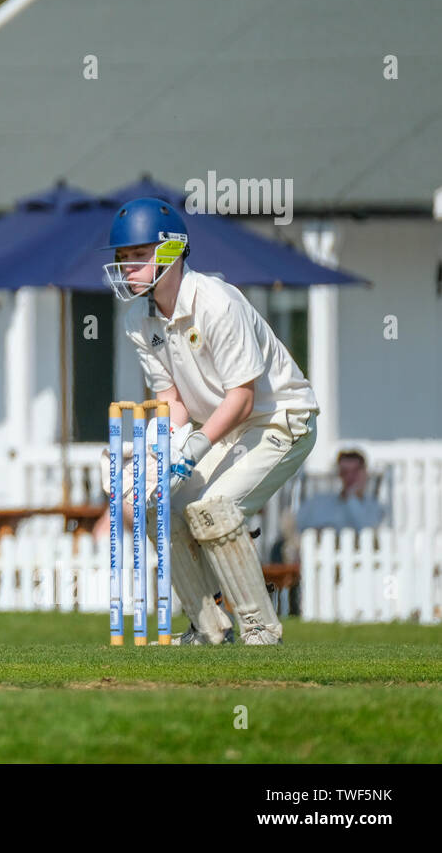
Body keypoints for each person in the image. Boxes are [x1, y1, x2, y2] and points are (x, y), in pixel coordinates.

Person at [101, 197, 319, 645]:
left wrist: (192, 450)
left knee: (213, 510)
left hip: (280, 418)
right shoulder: (137, 320)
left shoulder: (217, 302)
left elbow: (241, 398)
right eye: (123, 258)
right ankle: (208, 629)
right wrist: (156, 448)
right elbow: (171, 400)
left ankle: (260, 629)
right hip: (220, 427)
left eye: (139, 255)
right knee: (160, 508)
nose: (128, 267)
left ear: (172, 251)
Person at [294, 449, 386, 532]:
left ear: (365, 473)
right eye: (345, 472)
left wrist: (352, 498)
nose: (350, 477)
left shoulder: (375, 507)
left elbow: (366, 530)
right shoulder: (318, 502)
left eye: (355, 471)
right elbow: (296, 526)